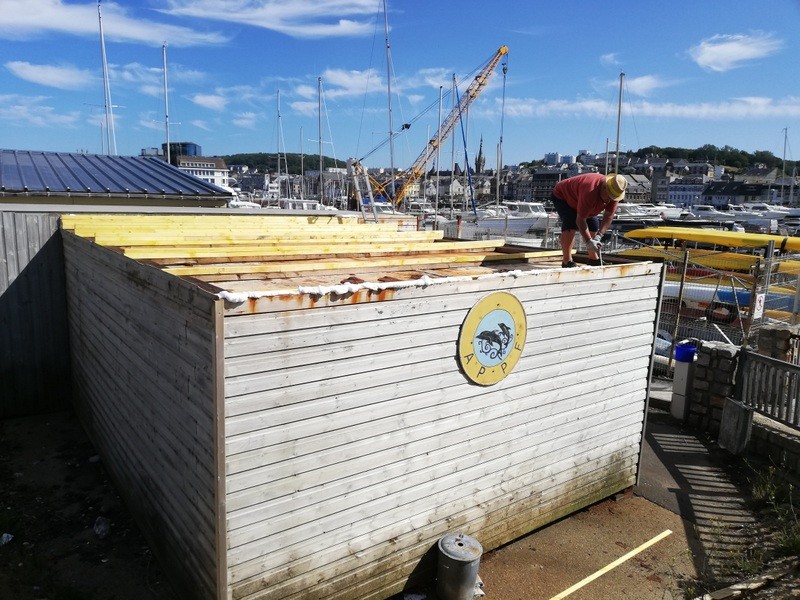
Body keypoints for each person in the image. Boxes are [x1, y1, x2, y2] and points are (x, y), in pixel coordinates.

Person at [551, 173, 628, 268]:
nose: (609, 200)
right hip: (563, 195)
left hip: (580, 199)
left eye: (612, 198)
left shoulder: (615, 193)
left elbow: (609, 216)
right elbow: (580, 220)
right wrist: (588, 241)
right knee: (570, 222)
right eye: (608, 197)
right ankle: (567, 261)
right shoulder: (590, 191)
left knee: (593, 225)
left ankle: (593, 259)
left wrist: (599, 236)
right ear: (604, 188)